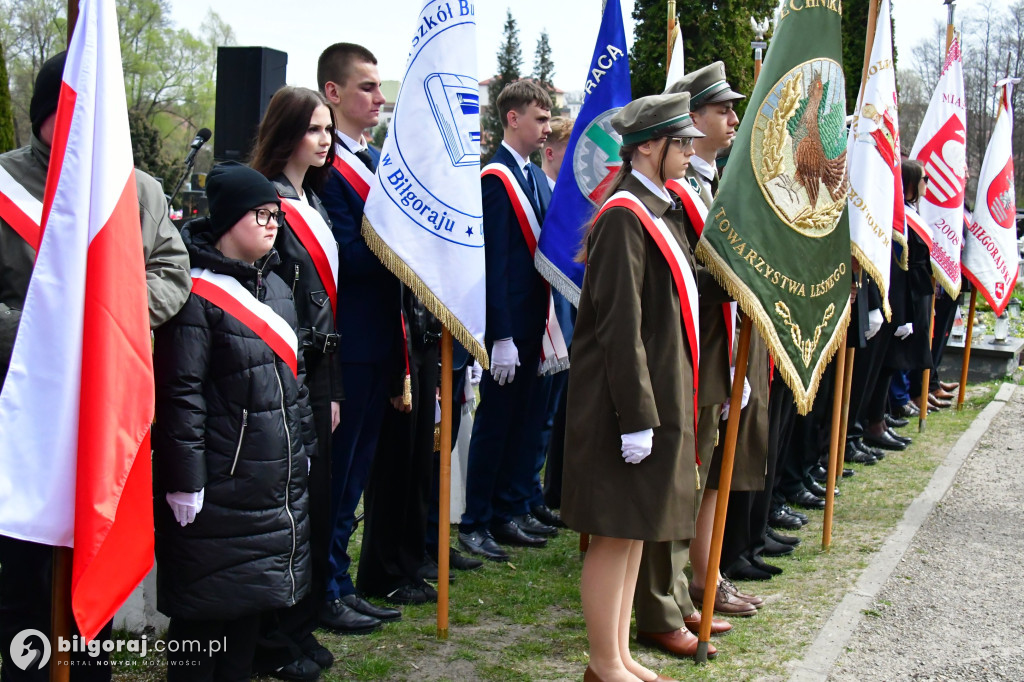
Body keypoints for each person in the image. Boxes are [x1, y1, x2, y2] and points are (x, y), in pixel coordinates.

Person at [0, 51, 191, 682]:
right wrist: (41, 334)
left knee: (96, 549)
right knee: (25, 563)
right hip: (23, 404)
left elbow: (171, 272)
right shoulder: (5, 184)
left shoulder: (136, 190)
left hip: (106, 405)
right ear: (45, 116)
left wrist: (109, 325)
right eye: (71, 112)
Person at [562, 91, 705, 682]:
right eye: (683, 140)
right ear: (649, 145)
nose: (692, 149)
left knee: (634, 533)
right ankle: (602, 662)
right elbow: (621, 326)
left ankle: (618, 656)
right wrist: (638, 415)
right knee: (614, 533)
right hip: (621, 404)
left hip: (649, 397)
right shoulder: (626, 214)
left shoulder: (659, 207)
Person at [153, 163, 315, 681]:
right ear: (226, 219)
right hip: (221, 488)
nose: (271, 225)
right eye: (258, 214)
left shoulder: (279, 291)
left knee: (244, 624)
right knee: (206, 627)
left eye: (275, 214)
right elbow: (181, 393)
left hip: (268, 487)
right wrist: (185, 479)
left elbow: (298, 384)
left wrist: (304, 446)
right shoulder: (195, 295)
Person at [631, 64, 758, 656]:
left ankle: (680, 594)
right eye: (721, 111)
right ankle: (662, 605)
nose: (732, 120)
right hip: (684, 359)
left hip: (707, 354)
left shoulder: (699, 187)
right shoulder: (665, 197)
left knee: (694, 481)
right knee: (677, 485)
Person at [249, 85, 343, 681]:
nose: (325, 139)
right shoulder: (267, 201)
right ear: (287, 132)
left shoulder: (315, 199)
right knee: (286, 509)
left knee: (318, 503)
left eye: (329, 130)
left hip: (324, 366)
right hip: (289, 367)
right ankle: (274, 639)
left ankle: (300, 624)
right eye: (314, 129)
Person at [316, 42, 404, 633]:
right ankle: (324, 587)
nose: (378, 97)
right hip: (349, 344)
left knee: (359, 476)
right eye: (367, 87)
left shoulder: (374, 163)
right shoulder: (327, 170)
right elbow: (347, 254)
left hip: (381, 341)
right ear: (333, 94)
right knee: (338, 474)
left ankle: (341, 582)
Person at [458, 79, 555, 561]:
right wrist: (500, 335)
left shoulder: (534, 177)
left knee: (525, 420)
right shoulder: (495, 178)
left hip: (538, 323)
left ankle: (510, 507)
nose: (547, 128)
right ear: (511, 118)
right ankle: (476, 519)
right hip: (509, 326)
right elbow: (494, 262)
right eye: (539, 118)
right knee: (495, 424)